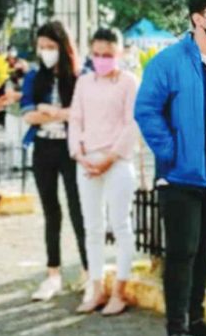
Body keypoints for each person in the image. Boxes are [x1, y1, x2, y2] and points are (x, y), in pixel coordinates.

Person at [135, 0, 206, 336]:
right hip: (179, 178)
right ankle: (176, 328)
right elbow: (146, 109)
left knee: (204, 251)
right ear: (196, 18)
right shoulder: (169, 60)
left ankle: (195, 320)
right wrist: (170, 152)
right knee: (182, 252)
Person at [68, 29, 139, 316]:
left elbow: (132, 123)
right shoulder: (84, 82)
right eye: (96, 54)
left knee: (120, 225)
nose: (101, 59)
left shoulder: (129, 82)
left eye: (107, 55)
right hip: (86, 162)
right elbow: (75, 119)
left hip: (118, 161)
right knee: (92, 227)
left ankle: (119, 291)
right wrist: (79, 154)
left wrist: (109, 158)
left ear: (119, 53)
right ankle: (95, 288)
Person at [21, 21, 89, 302]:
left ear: (63, 46)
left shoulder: (79, 75)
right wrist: (61, 113)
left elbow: (83, 113)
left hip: (71, 149)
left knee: (78, 208)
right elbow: (28, 114)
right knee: (51, 211)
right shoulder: (35, 76)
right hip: (43, 149)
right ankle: (53, 273)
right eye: (41, 47)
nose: (45, 52)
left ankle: (88, 270)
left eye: (50, 47)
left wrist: (49, 110)